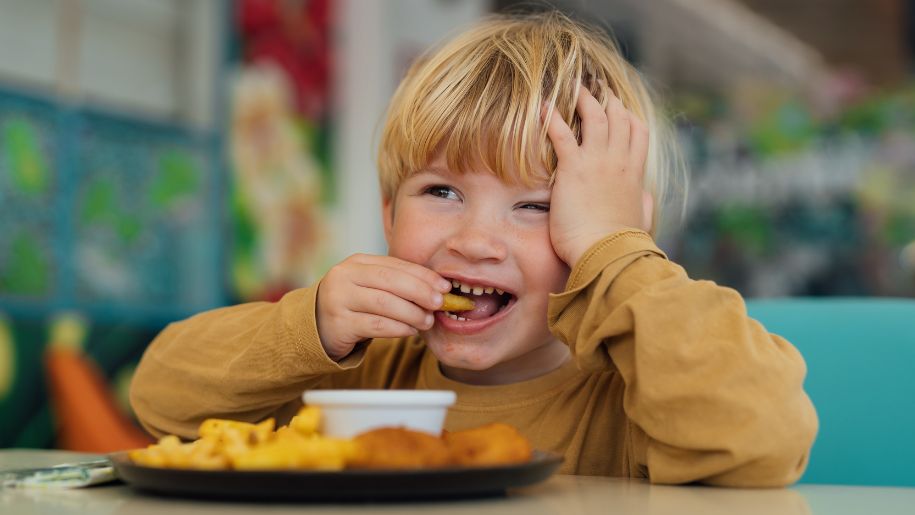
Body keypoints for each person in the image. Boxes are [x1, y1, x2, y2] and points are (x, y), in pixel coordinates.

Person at [130, 11, 817, 486]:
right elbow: (161, 398)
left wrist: (614, 256)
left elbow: (761, 440)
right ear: (386, 211)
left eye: (539, 207)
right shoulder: (361, 369)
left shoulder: (639, 392)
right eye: (440, 192)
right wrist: (309, 325)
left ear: (617, 233)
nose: (474, 240)